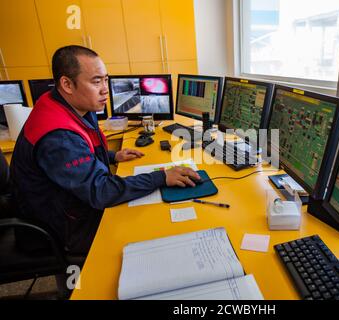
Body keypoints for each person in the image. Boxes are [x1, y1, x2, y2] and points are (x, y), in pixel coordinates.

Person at [10, 45, 200, 254]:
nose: (104, 90)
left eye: (105, 80)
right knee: (153, 226)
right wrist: (161, 177)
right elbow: (101, 191)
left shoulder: (67, 104)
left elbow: (78, 154)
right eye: (96, 81)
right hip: (59, 230)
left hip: (69, 205)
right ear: (67, 84)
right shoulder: (58, 137)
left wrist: (112, 155)